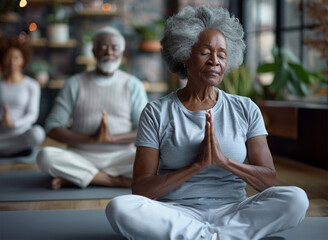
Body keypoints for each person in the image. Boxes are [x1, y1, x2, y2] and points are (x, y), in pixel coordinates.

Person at [106, 6, 309, 240]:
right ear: (184, 56)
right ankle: (225, 237)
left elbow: (268, 180)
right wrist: (197, 165)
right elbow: (141, 189)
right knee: (120, 207)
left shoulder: (245, 108)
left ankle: (200, 237)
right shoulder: (156, 112)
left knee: (295, 198)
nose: (215, 61)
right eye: (205, 52)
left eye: (222, 55)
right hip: (176, 211)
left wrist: (224, 162)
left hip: (233, 210)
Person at [37, 27, 148, 190]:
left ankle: (81, 177)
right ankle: (114, 181)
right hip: (81, 156)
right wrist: (90, 139)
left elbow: (145, 129)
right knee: (44, 156)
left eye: (114, 48)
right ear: (94, 52)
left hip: (122, 157)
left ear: (121, 53)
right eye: (103, 48)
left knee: (161, 160)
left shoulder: (133, 85)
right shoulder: (74, 83)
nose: (109, 52)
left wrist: (111, 138)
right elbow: (52, 127)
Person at [0, 38, 45, 158]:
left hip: (20, 135)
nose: (12, 61)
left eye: (16, 57)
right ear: (3, 59)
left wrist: (13, 124)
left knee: (38, 133)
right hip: (1, 134)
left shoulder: (31, 85)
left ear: (23, 60)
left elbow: (32, 115)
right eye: (8, 57)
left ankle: (10, 149)